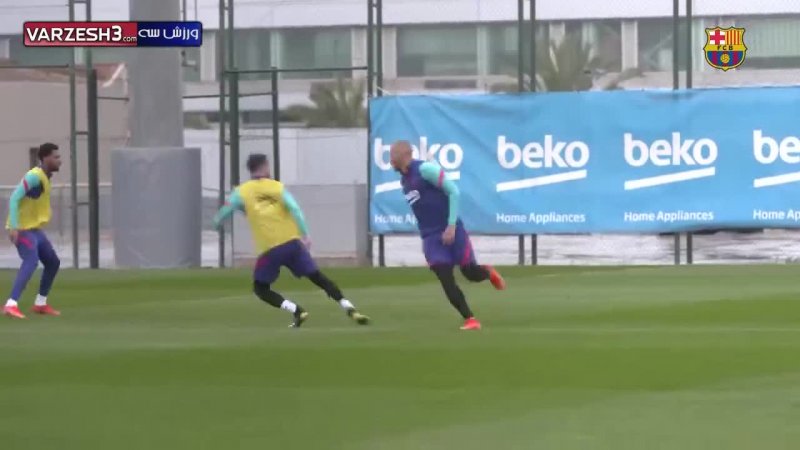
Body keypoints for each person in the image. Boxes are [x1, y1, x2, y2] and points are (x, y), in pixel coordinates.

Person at [214, 153, 370, 328]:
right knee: (317, 277)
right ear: (265, 167)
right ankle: (348, 307)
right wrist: (305, 234)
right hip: (292, 244)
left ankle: (297, 311)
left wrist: (217, 223)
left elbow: (223, 213)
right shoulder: (277, 187)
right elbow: (295, 209)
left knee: (260, 288)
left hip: (270, 250)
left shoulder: (241, 192)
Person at [389, 140, 506, 330]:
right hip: (431, 238)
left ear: (405, 155)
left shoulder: (425, 170)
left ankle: (487, 273)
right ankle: (470, 319)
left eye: (393, 156)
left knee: (470, 273)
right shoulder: (404, 181)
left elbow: (453, 191)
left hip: (452, 229)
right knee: (445, 277)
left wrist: (451, 225)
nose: (391, 161)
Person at [4, 143, 63, 319]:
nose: (59, 160)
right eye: (56, 157)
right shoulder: (34, 176)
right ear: (45, 158)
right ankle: (11, 304)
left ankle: (40, 304)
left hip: (34, 230)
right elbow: (14, 198)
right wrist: (14, 226)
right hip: (22, 229)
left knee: (52, 262)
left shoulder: (45, 177)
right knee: (31, 261)